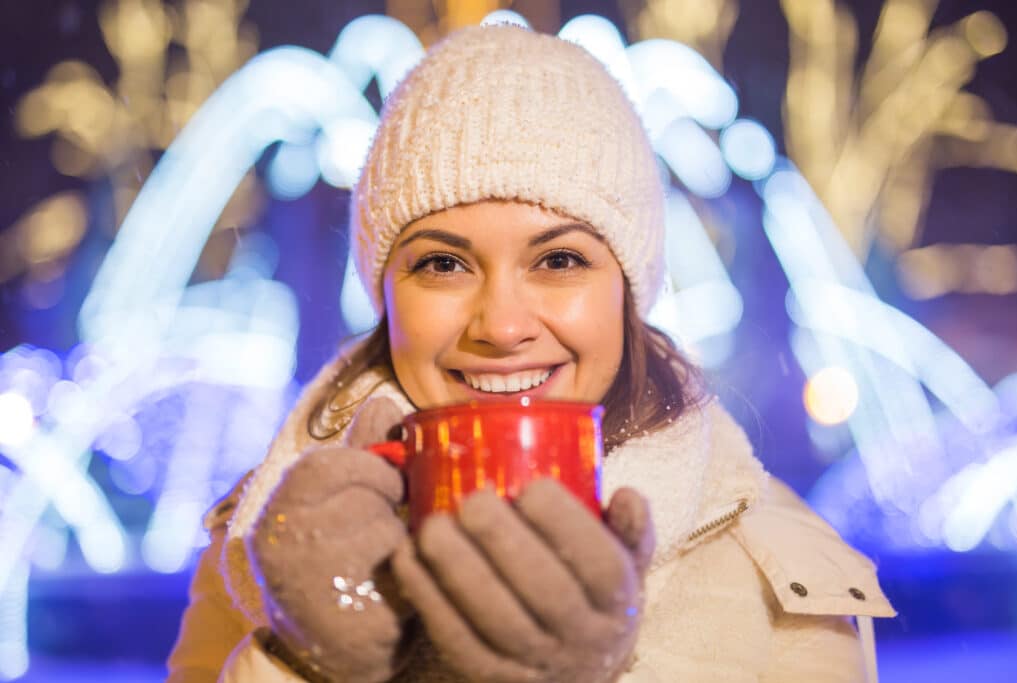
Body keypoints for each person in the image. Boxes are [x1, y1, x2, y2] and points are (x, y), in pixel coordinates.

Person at [167, 24, 895, 683]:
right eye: (443, 265)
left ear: (629, 288)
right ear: (384, 293)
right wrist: (308, 658)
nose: (503, 324)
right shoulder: (264, 543)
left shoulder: (782, 571)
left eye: (560, 261)